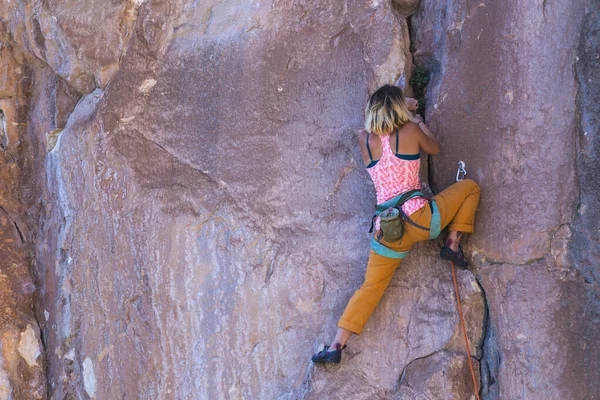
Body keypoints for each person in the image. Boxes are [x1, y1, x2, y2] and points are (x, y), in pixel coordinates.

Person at [311, 84, 481, 364]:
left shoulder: (364, 140)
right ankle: (452, 244)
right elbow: (434, 148)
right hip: (421, 219)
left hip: (387, 230)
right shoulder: (410, 131)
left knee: (370, 288)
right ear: (399, 108)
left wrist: (395, 108)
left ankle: (335, 346)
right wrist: (416, 117)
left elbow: (369, 127)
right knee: (471, 188)